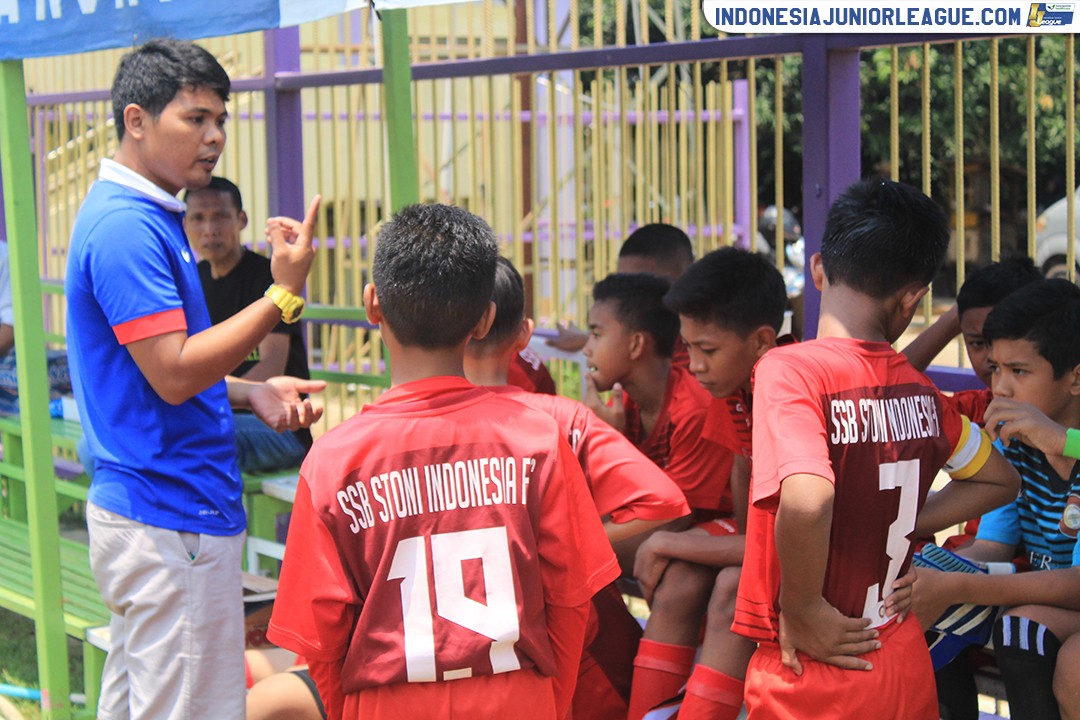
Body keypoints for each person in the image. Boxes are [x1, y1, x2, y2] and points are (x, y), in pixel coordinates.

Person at [265, 203, 619, 720]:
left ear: (372, 305)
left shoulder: (335, 459)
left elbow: (318, 638)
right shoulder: (537, 439)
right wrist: (550, 702)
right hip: (517, 702)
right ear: (485, 319)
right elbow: (571, 603)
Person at [64, 38, 324, 720]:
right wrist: (282, 294)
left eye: (220, 120)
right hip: (168, 514)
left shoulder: (150, 213)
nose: (213, 137)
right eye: (195, 118)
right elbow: (174, 373)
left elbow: (152, 370)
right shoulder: (127, 226)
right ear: (137, 120)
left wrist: (250, 390)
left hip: (159, 511)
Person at [732, 179, 1020, 718]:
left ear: (818, 267)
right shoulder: (922, 392)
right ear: (913, 297)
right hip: (902, 653)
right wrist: (904, 519)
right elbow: (1001, 479)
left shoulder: (790, 370)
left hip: (819, 663)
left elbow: (809, 497)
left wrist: (802, 607)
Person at [626, 246, 787, 720]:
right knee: (679, 581)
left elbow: (775, 545)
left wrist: (662, 542)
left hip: (821, 555)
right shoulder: (734, 384)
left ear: (761, 340)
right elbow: (743, 466)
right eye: (688, 348)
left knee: (732, 588)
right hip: (763, 539)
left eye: (707, 350)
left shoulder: (790, 393)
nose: (694, 365)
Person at [913, 278, 1080, 719]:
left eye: (1018, 372)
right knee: (921, 604)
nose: (1000, 388)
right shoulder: (1016, 442)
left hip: (1067, 597)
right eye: (995, 369)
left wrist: (960, 583)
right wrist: (940, 573)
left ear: (1076, 377)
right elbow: (994, 544)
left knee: (1027, 634)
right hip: (1051, 599)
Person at [581, 272, 735, 570]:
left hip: (712, 525)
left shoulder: (693, 409)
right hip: (668, 526)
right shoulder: (623, 404)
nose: (586, 348)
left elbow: (672, 515)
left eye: (596, 334)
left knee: (575, 556)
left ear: (636, 345)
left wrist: (611, 443)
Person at [187, 176, 313, 473]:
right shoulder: (193, 280)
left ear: (241, 219)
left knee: (182, 437)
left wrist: (207, 401)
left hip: (279, 429)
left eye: (220, 216)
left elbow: (270, 367)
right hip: (218, 413)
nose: (209, 229)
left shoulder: (268, 277)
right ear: (184, 225)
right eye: (198, 218)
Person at [545, 223, 694, 355]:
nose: (632, 301)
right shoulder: (638, 357)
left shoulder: (696, 363)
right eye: (625, 287)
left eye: (648, 289)